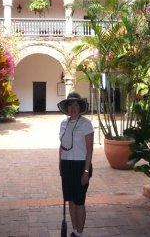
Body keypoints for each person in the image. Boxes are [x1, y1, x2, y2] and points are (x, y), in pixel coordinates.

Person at [57, 92, 94, 237]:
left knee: (79, 202)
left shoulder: (86, 123)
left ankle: (80, 233)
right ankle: (74, 231)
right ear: (67, 107)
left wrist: (86, 171)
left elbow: (90, 149)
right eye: (70, 104)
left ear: (80, 107)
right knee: (70, 201)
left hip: (81, 167)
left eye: (76, 104)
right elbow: (61, 145)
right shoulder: (63, 124)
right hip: (67, 166)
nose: (73, 107)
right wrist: (60, 164)